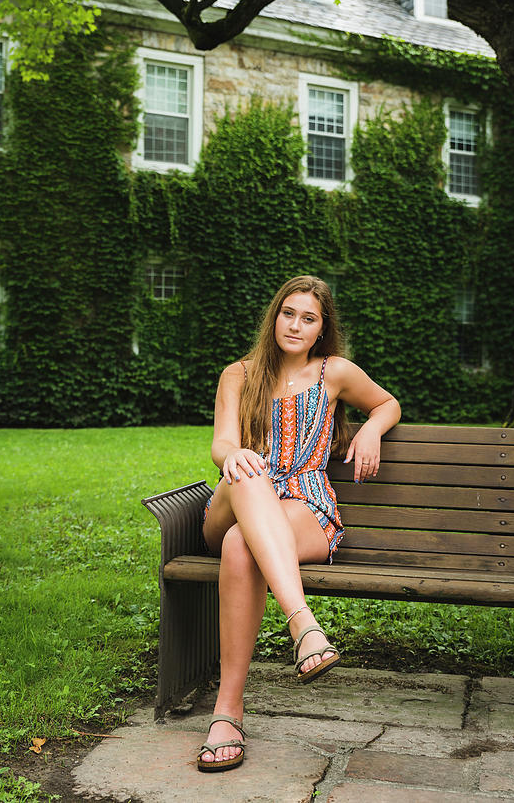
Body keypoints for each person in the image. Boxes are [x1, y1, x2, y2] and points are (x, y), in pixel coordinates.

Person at [197, 275, 401, 772]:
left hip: (305, 504)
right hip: (238, 489)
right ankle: (303, 624)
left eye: (308, 318)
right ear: (275, 317)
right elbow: (221, 443)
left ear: (321, 328)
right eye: (288, 313)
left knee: (240, 547)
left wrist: (372, 428)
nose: (295, 324)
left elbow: (387, 402)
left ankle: (227, 713)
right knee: (250, 474)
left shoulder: (334, 372)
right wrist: (236, 455)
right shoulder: (238, 374)